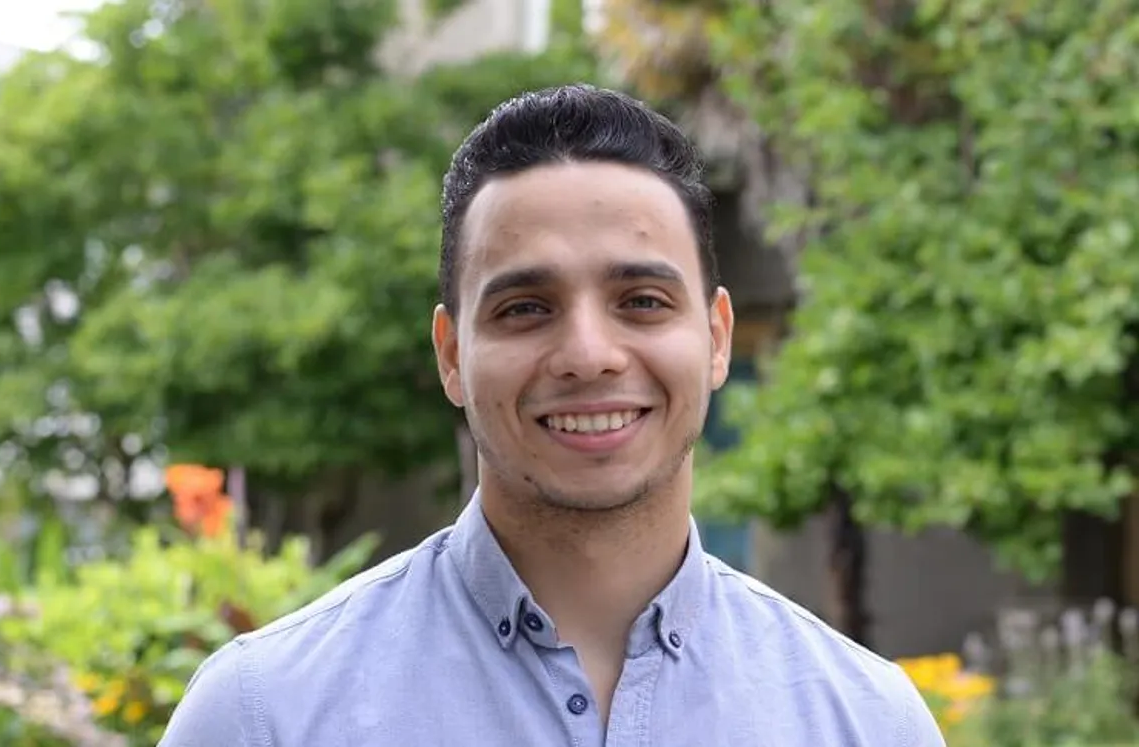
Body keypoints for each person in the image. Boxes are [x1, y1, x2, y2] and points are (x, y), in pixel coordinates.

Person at [159, 84, 945, 746]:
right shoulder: (263, 716)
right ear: (451, 355)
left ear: (715, 337)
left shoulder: (867, 721)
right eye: (526, 307)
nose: (589, 354)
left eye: (641, 301)